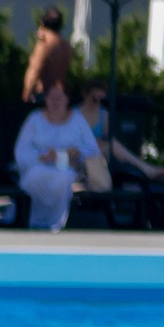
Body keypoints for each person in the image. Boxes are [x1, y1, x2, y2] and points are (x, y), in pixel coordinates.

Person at [13, 80, 99, 231]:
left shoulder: (78, 120)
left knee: (63, 178)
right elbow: (22, 151)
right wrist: (42, 157)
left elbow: (92, 150)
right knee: (36, 175)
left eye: (59, 97)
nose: (55, 102)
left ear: (67, 99)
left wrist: (77, 154)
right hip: (39, 167)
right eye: (51, 97)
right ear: (45, 99)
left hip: (69, 170)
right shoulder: (35, 120)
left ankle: (56, 222)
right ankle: (34, 219)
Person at [76, 80, 164, 193]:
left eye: (101, 100)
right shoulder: (75, 114)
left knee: (113, 145)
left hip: (98, 155)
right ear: (85, 95)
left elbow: (107, 138)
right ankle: (147, 169)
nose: (98, 103)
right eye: (94, 99)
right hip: (79, 155)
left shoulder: (104, 114)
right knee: (106, 145)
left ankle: (144, 171)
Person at [22, 6, 72, 104]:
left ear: (42, 23)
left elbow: (34, 70)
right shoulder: (66, 45)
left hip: (44, 95)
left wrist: (26, 95)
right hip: (60, 93)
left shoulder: (44, 45)